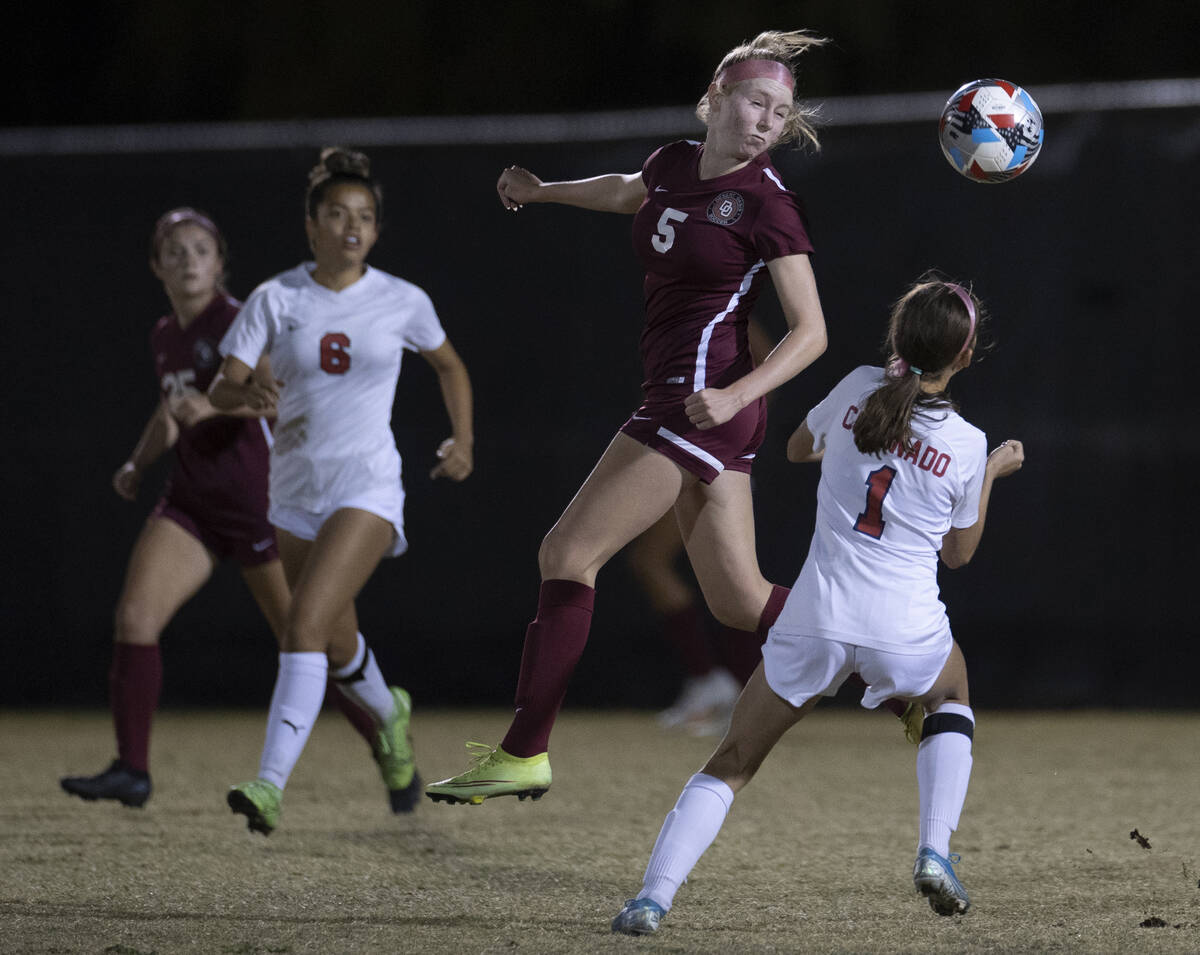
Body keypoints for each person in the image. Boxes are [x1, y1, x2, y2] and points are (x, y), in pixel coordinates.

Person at [428, 29, 884, 806]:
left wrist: (738, 396)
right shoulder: (676, 161)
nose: (768, 120)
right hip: (686, 398)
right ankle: (890, 660)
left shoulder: (769, 202)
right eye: (755, 102)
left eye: (780, 112)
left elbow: (813, 332)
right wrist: (544, 191)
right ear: (717, 96)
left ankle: (523, 751)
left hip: (701, 403)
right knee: (739, 600)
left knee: (567, 552)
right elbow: (632, 189)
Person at [610, 276, 1025, 935]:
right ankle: (934, 849)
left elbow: (799, 448)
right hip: (904, 631)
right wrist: (994, 472)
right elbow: (959, 555)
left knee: (732, 763)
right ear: (966, 356)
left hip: (817, 622)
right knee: (952, 692)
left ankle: (650, 900)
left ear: (896, 338)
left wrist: (860, 440)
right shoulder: (969, 444)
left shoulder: (860, 387)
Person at [58, 209, 390, 810]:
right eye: (175, 251)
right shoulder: (164, 333)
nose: (188, 260)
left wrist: (211, 409)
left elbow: (275, 398)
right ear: (157, 266)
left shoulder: (237, 320)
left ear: (219, 264)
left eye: (201, 250)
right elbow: (171, 409)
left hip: (257, 506)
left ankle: (386, 741)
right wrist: (138, 462)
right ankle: (132, 769)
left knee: (313, 642)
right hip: (191, 503)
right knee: (135, 618)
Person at [209, 147, 474, 835]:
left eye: (363, 217)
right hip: (294, 490)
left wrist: (463, 440)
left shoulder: (401, 298)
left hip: (368, 485)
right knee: (333, 642)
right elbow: (220, 385)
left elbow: (449, 365)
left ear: (376, 231)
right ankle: (392, 721)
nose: (351, 227)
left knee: (301, 621)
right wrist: (246, 389)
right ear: (311, 225)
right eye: (336, 214)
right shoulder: (277, 297)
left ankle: (267, 786)